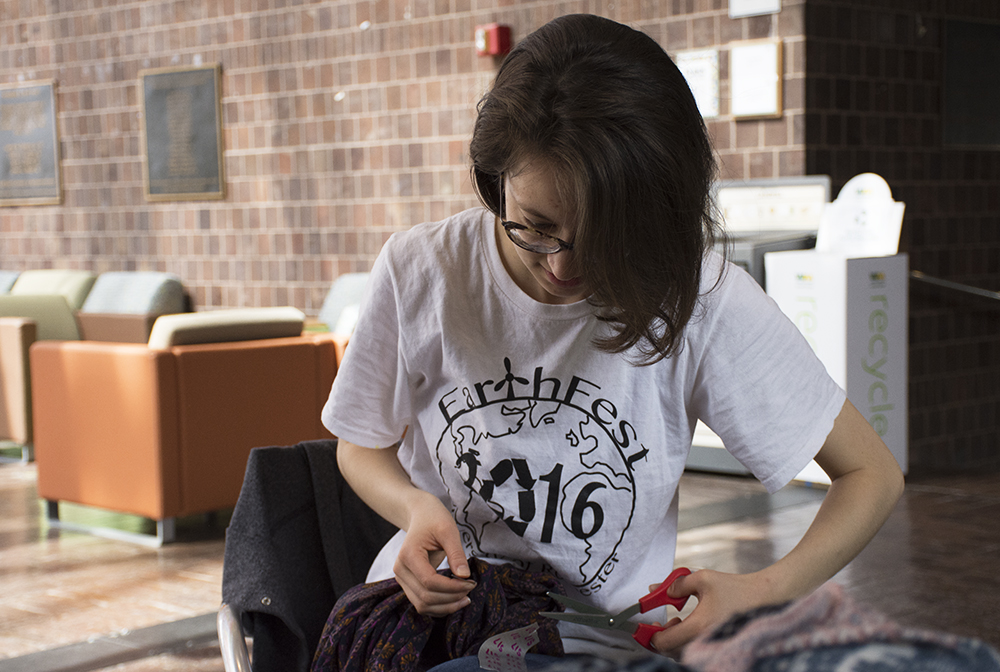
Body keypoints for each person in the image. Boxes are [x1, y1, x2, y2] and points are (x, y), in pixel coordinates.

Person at [321, 12, 904, 668]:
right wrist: (414, 504)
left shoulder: (698, 296)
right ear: (495, 180)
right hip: (435, 621)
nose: (565, 269)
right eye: (535, 226)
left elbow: (869, 474)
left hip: (595, 640)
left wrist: (763, 591)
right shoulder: (423, 270)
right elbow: (359, 446)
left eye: (605, 237)